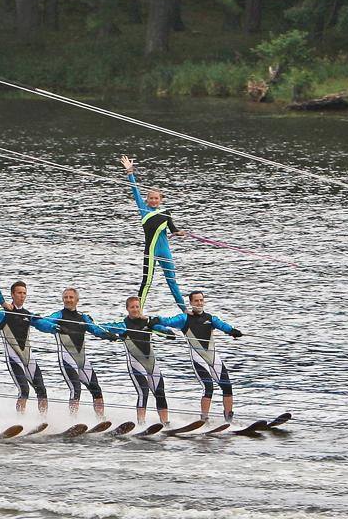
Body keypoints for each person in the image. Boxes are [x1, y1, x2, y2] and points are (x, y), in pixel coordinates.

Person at [157, 291, 243, 422]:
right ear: (191, 303)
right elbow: (167, 322)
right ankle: (204, 419)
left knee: (227, 386)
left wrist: (232, 331)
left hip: (214, 358)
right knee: (208, 387)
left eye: (201, 300)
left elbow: (223, 326)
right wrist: (155, 320)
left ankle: (229, 420)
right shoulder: (184, 319)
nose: (199, 303)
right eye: (196, 301)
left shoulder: (211, 318)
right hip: (198, 360)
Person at [0, 281, 52, 414]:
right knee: (24, 390)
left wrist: (53, 326)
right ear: (12, 294)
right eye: (19, 293)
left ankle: (43, 420)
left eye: (24, 293)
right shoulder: (3, 313)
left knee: (42, 390)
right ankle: (20, 420)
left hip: (29, 359)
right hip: (14, 359)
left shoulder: (28, 315)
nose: (22, 296)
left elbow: (44, 325)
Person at [120, 156, 186, 311]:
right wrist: (130, 172)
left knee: (172, 280)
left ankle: (184, 310)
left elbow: (173, 229)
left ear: (160, 199)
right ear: (147, 199)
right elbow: (135, 190)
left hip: (165, 251)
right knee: (147, 281)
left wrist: (179, 233)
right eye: (151, 198)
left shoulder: (166, 212)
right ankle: (138, 311)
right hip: (151, 251)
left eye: (156, 198)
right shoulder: (143, 209)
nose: (154, 201)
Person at [39, 288, 117, 416]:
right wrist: (55, 327)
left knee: (96, 389)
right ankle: (72, 420)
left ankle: (101, 419)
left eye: (71, 297)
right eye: (66, 297)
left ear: (77, 300)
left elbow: (95, 329)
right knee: (76, 389)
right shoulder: (58, 316)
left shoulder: (83, 317)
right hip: (67, 358)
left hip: (82, 360)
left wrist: (108, 335)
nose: (68, 300)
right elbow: (43, 322)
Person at [100, 296, 176, 425]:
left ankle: (165, 423)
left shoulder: (148, 323)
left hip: (151, 363)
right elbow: (103, 327)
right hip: (135, 364)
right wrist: (107, 334)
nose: (135, 309)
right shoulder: (123, 325)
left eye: (137, 307)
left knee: (160, 392)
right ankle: (141, 423)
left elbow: (167, 333)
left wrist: (166, 331)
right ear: (127, 309)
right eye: (132, 307)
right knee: (143, 391)